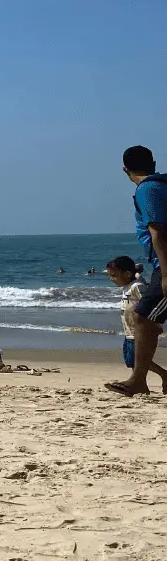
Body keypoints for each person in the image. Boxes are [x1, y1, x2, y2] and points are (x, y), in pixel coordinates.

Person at [107, 146, 167, 397]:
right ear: (153, 162)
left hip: (164, 263)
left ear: (125, 170)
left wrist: (165, 273)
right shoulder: (161, 185)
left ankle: (138, 381)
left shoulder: (147, 189)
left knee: (142, 317)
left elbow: (157, 231)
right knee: (146, 319)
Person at [107, 256, 167, 392]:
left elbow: (148, 307)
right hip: (128, 331)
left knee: (138, 357)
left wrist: (154, 325)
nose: (112, 279)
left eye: (114, 276)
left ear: (127, 274)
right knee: (131, 359)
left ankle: (160, 375)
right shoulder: (126, 286)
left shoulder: (137, 286)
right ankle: (137, 382)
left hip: (137, 331)